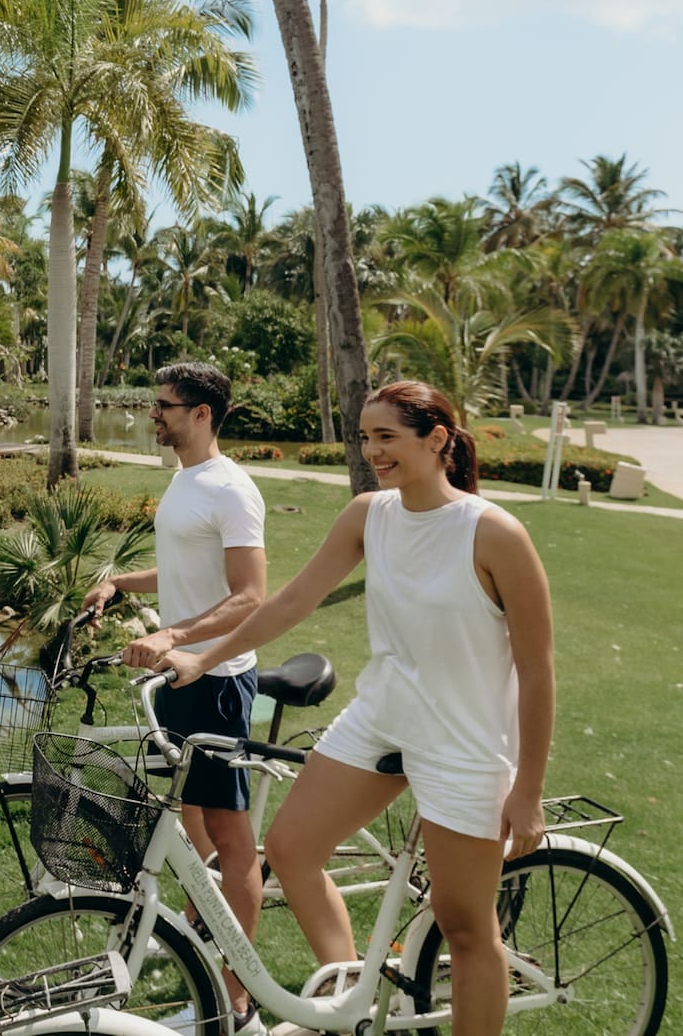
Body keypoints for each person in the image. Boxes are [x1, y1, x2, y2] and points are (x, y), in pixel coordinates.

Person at [160, 381, 555, 1036]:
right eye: (364, 436)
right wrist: (199, 658)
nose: (371, 450)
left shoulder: (494, 534)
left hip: (461, 741)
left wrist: (528, 790)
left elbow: (537, 670)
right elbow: (288, 602)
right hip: (380, 717)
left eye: (386, 436)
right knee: (288, 846)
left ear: (436, 440)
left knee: (464, 926)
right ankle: (350, 1003)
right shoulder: (367, 514)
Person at [80, 360, 267, 1030]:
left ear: (201, 413)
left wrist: (173, 635)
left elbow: (249, 594)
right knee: (188, 812)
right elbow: (185, 568)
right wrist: (117, 583)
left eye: (164, 404)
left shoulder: (230, 488)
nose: (152, 414)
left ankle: (237, 996)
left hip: (216, 678)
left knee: (229, 832)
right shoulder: (186, 480)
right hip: (183, 674)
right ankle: (203, 928)